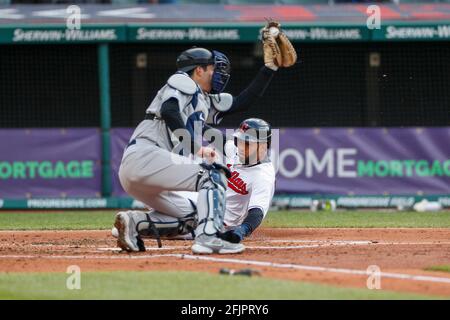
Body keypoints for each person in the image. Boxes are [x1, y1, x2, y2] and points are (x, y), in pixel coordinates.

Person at [114, 22, 295, 255]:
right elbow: (170, 111)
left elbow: (242, 102)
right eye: (212, 68)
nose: (218, 73)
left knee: (193, 217)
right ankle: (208, 238)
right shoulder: (183, 80)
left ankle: (134, 223)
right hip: (145, 155)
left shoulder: (202, 99)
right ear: (198, 70)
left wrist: (269, 69)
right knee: (214, 174)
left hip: (142, 171)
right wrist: (195, 147)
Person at [112, 118, 275, 245]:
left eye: (247, 143)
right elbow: (212, 134)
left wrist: (241, 231)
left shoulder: (263, 176)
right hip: (198, 201)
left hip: (215, 221)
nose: (240, 147)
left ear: (262, 147)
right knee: (159, 184)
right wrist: (194, 120)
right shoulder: (235, 150)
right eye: (240, 141)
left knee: (183, 222)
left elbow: (257, 212)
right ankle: (142, 219)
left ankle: (136, 222)